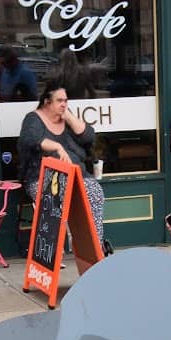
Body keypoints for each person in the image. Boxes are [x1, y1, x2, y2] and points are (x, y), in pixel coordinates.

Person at [18, 80, 106, 244]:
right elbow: (29, 140)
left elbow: (88, 138)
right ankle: (51, 250)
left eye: (65, 101)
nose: (64, 104)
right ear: (47, 101)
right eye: (59, 100)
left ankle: (93, 245)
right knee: (56, 197)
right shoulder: (33, 119)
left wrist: (70, 118)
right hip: (42, 178)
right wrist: (57, 146)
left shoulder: (66, 117)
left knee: (95, 192)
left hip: (75, 175)